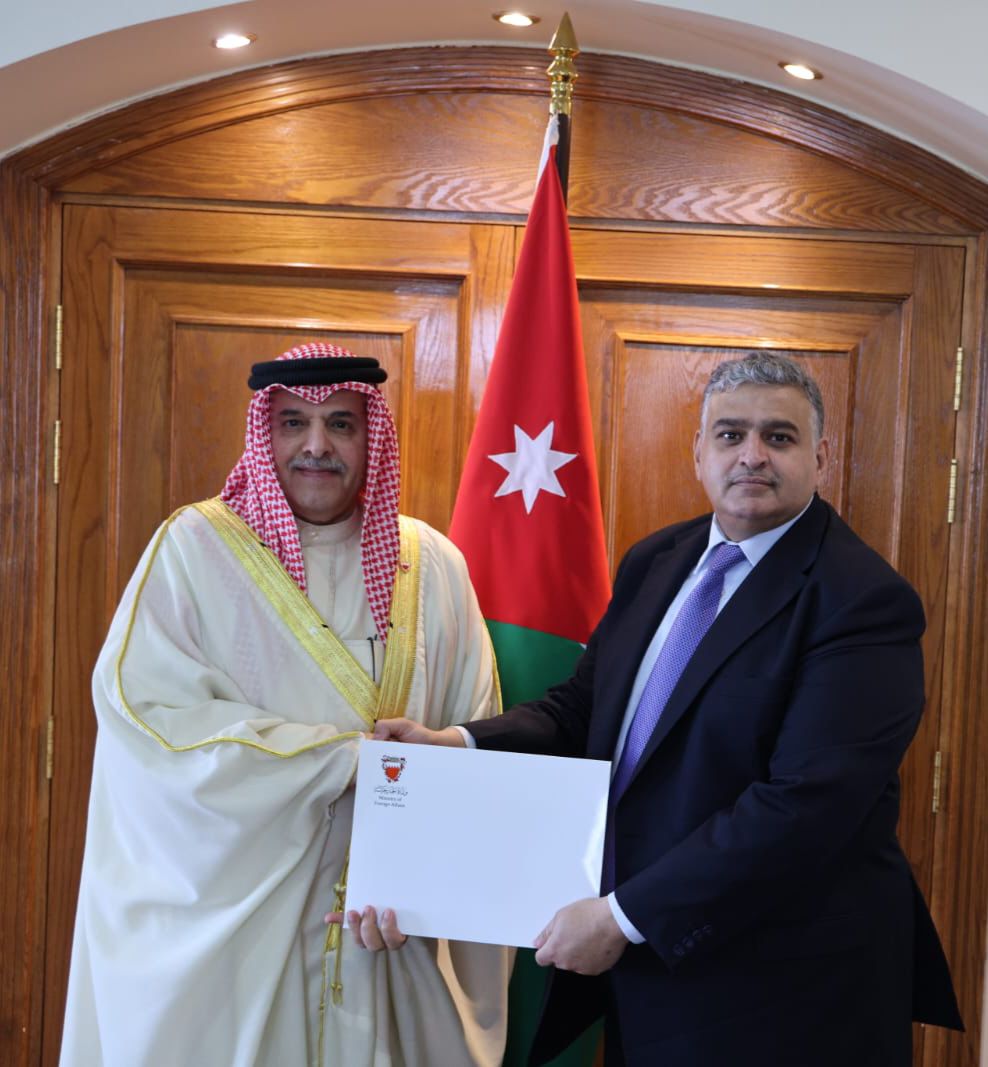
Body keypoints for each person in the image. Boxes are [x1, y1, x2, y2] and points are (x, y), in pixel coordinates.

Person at [374, 352, 962, 1066]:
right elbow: (584, 707)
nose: (752, 455)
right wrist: (459, 743)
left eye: (779, 437)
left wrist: (624, 916)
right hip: (647, 971)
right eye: (730, 434)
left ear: (821, 456)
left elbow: (805, 806)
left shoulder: (863, 601)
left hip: (782, 989)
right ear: (699, 451)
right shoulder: (659, 559)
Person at [60, 342, 510, 1067]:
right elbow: (150, 725)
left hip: (389, 932)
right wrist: (339, 762)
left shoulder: (433, 566)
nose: (317, 446)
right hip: (243, 937)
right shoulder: (194, 551)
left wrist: (422, 881)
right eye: (294, 422)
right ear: (263, 432)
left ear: (372, 437)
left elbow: (473, 739)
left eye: (341, 424)